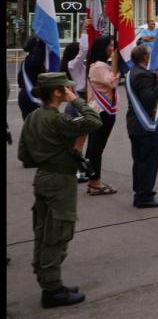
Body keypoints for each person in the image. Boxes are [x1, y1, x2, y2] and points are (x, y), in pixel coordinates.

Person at [18, 72, 102, 308]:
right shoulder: (57, 119)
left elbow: (23, 155)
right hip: (59, 181)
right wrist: (76, 100)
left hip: (42, 177)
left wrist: (46, 158)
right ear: (57, 92)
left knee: (44, 231)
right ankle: (52, 289)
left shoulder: (34, 117)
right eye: (65, 88)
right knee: (58, 234)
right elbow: (94, 120)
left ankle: (48, 280)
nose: (69, 91)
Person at [126, 44, 158, 208]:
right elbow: (148, 98)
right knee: (147, 162)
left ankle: (140, 194)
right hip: (144, 127)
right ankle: (145, 196)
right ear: (145, 58)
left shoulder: (135, 71)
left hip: (137, 126)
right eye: (149, 54)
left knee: (140, 161)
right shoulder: (142, 75)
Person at [83, 35, 121, 196]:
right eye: (110, 46)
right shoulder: (99, 66)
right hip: (102, 111)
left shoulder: (97, 65)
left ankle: (92, 181)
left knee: (94, 148)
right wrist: (115, 63)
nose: (112, 49)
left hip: (98, 111)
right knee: (96, 149)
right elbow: (112, 82)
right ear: (102, 48)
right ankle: (95, 183)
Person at [17, 36, 47, 119]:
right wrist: (41, 42)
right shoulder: (32, 61)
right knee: (36, 128)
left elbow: (19, 81)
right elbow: (39, 58)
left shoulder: (26, 61)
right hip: (32, 99)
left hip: (24, 97)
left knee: (29, 127)